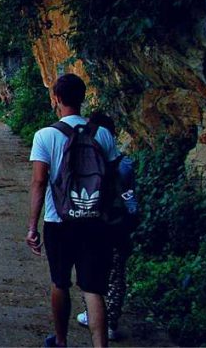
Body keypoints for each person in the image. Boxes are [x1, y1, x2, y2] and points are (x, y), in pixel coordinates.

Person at [26, 74, 119, 348]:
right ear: (83, 98)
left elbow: (39, 182)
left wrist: (32, 226)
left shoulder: (45, 136)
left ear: (56, 99)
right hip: (95, 220)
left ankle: (61, 340)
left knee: (60, 282)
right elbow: (113, 180)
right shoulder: (102, 134)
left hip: (59, 221)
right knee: (93, 288)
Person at [76, 111, 137, 341]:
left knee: (89, 271)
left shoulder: (87, 160)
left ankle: (91, 315)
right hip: (119, 223)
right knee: (117, 272)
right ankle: (111, 321)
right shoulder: (125, 164)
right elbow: (130, 198)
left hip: (94, 221)